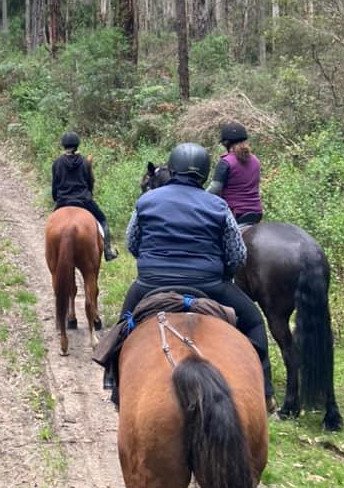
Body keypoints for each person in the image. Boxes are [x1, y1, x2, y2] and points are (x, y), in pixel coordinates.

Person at [123, 142, 275, 404]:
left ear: (172, 168)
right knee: (254, 322)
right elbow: (237, 254)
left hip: (151, 282)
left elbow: (132, 243)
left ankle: (115, 384)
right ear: (204, 174)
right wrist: (224, 274)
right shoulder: (218, 205)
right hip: (209, 284)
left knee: (124, 323)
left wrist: (153, 263)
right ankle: (267, 391)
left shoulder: (146, 200)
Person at [51, 131, 118, 262]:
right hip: (84, 200)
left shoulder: (57, 163)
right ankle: (108, 251)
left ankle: (51, 253)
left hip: (63, 201)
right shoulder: (85, 163)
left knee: (51, 224)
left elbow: (54, 187)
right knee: (103, 220)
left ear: (63, 145)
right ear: (77, 145)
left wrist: (57, 198)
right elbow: (90, 183)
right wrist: (88, 195)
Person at [207, 122, 263, 225]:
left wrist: (201, 197)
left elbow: (215, 189)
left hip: (234, 213)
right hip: (256, 213)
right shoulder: (256, 160)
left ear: (226, 143)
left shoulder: (226, 162)